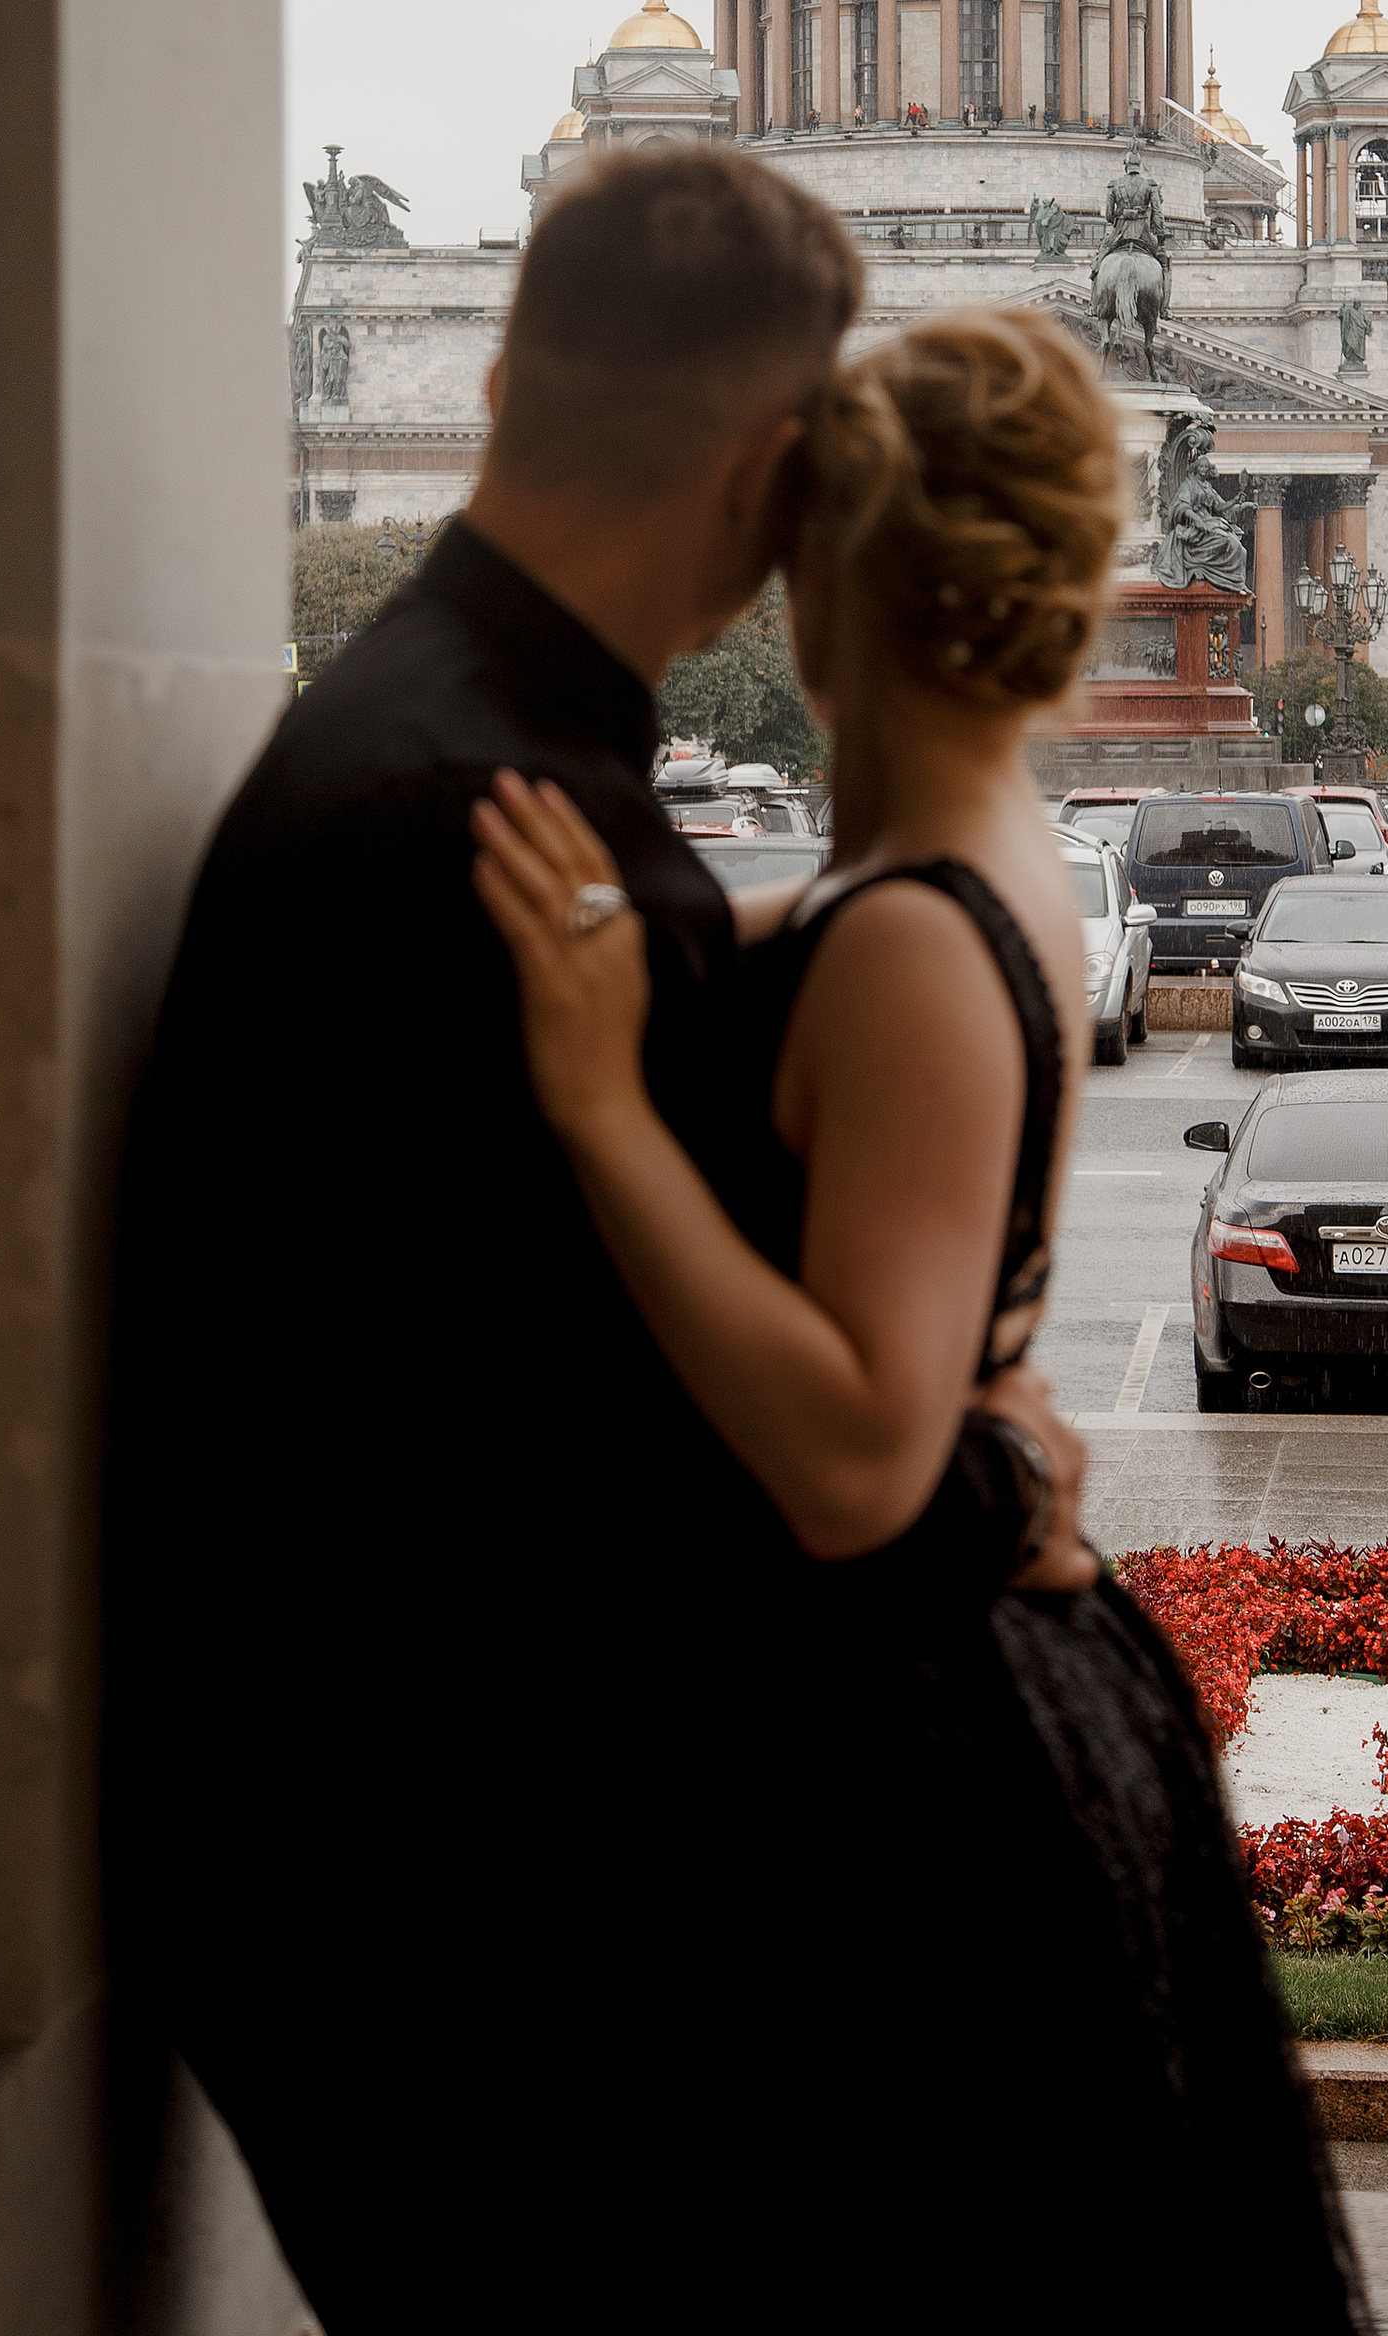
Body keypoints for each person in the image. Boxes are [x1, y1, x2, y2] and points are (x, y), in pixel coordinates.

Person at [105, 150, 1085, 2327]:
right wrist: (995, 1467)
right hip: (473, 1925)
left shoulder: (439, 743)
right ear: (764, 466)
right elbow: (674, 1473)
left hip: (390, 1873)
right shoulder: (512, 833)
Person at [471, 310, 1369, 2329]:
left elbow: (862, 1455)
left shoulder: (906, 930)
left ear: (830, 586)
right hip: (987, 1691)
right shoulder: (972, 868)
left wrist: (601, 1102)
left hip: (890, 1751)